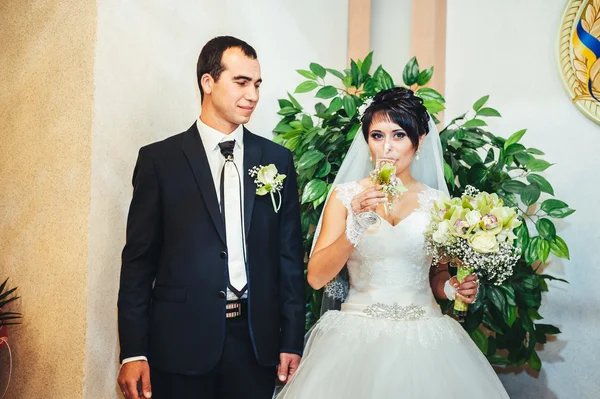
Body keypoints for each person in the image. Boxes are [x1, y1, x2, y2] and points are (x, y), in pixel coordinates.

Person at [276, 87, 510, 398]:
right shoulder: (346, 196)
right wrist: (354, 227)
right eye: (377, 136)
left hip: (425, 336)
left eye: (399, 135)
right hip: (356, 337)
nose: (387, 147)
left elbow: (438, 276)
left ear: (420, 140)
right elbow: (317, 277)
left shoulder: (438, 202)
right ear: (367, 141)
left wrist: (453, 288)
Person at [117, 36, 305, 399]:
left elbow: (289, 259)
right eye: (241, 82)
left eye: (257, 84)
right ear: (208, 82)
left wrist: (292, 338)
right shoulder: (160, 161)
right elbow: (138, 262)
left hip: (255, 344)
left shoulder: (277, 160)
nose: (252, 95)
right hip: (180, 344)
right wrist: (133, 350)